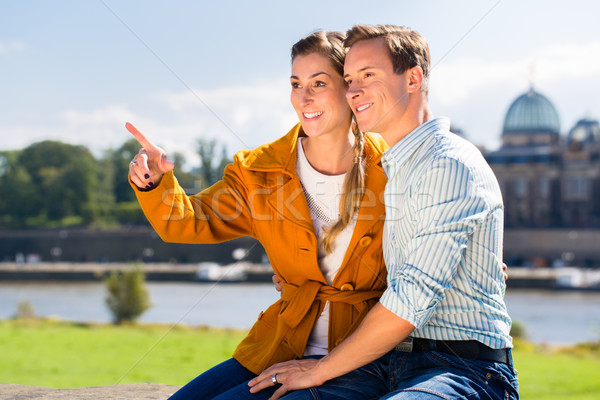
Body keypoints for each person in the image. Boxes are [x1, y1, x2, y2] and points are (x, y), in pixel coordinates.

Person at [249, 24, 519, 400]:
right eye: (348, 78)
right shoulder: (393, 168)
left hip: (463, 370)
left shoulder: (448, 164)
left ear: (413, 78)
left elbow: (410, 299)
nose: (352, 90)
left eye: (368, 75)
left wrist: (322, 368)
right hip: (386, 361)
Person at [127, 31, 392, 400]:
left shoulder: (394, 166)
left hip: (365, 361)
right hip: (280, 344)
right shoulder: (259, 172)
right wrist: (154, 183)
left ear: (349, 89)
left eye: (319, 82)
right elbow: (186, 220)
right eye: (296, 84)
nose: (304, 97)